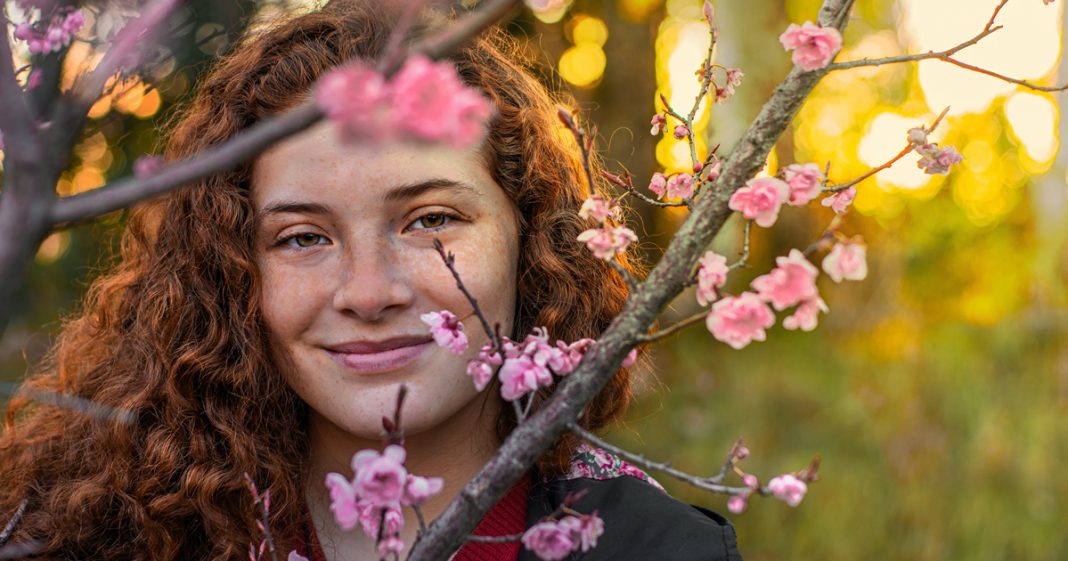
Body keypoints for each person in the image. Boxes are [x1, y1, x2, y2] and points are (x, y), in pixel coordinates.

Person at [0, 1, 742, 560]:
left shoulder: (654, 548)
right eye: (303, 237)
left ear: (531, 231)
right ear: (229, 273)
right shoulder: (100, 533)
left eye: (429, 221)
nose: (368, 291)